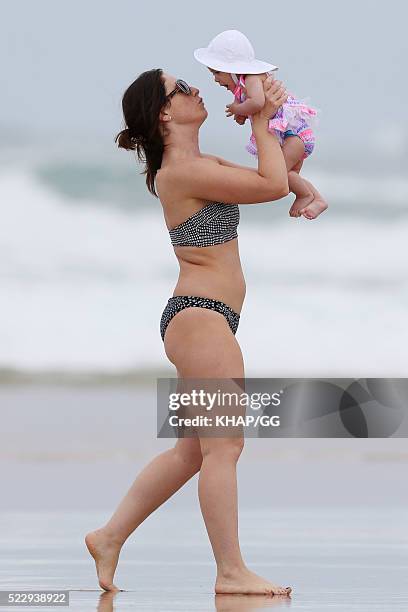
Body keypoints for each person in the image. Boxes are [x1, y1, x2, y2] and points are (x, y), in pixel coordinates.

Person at [85, 68, 293, 597]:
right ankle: (230, 571)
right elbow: (270, 186)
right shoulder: (181, 171)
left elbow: (278, 173)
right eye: (183, 88)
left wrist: (277, 118)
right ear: (163, 113)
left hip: (201, 319)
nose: (197, 89)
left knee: (192, 454)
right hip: (201, 318)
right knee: (225, 448)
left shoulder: (200, 166)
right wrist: (262, 121)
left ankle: (109, 536)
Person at [194, 29, 328, 220]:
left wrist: (237, 108)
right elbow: (253, 107)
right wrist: (241, 114)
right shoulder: (242, 86)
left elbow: (256, 103)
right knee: (288, 175)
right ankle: (318, 200)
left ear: (234, 69)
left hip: (294, 134)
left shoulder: (252, 78)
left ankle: (306, 195)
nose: (215, 79)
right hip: (288, 136)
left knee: (281, 175)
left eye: (217, 72)